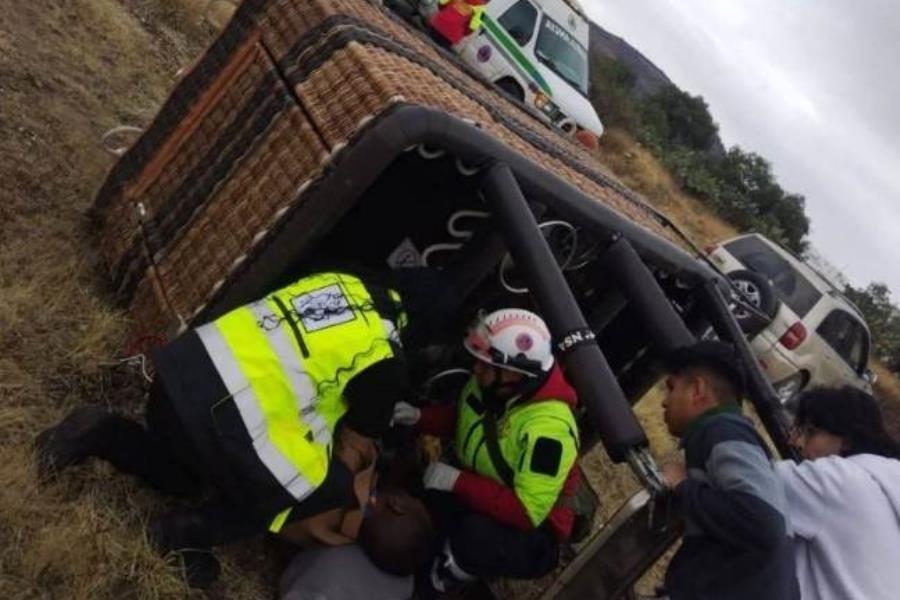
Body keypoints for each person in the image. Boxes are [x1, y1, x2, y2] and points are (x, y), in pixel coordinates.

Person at [35, 270, 438, 587]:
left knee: (185, 479)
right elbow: (353, 448)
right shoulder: (385, 356)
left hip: (176, 379)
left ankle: (100, 431)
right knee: (324, 485)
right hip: (219, 419)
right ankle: (183, 534)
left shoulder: (341, 282)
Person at [392, 308, 581, 595]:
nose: (476, 370)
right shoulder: (497, 386)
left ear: (514, 373)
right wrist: (420, 417)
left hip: (534, 533)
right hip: (488, 492)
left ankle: (444, 579)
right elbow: (464, 420)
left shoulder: (550, 433)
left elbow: (526, 512)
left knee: (474, 538)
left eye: (485, 366)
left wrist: (457, 482)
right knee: (422, 496)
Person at [658, 340, 798, 600]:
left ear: (698, 389)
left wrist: (682, 486)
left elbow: (763, 523)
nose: (664, 402)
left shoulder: (722, 431)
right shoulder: (728, 435)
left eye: (671, 387)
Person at [775, 386, 900, 600]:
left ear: (847, 440)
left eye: (809, 431)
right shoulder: (890, 478)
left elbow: (753, 479)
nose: (795, 442)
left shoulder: (837, 482)